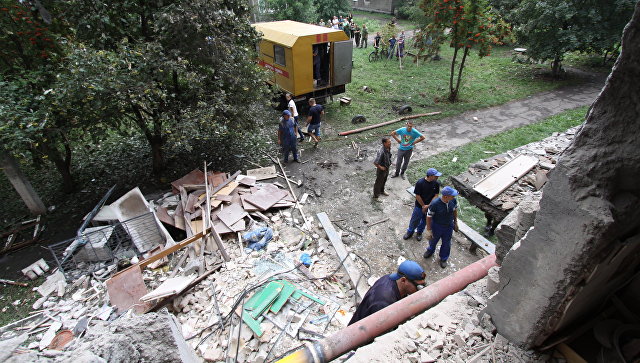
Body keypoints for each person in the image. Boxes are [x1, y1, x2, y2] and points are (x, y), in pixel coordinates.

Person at [348, 260, 426, 325]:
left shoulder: (391, 279)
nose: (420, 289)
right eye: (418, 286)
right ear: (403, 280)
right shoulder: (383, 303)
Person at [423, 186, 459, 268]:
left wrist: (455, 222)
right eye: (452, 195)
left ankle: (443, 258)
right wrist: (428, 230)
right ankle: (430, 251)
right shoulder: (435, 204)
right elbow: (429, 216)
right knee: (433, 240)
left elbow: (455, 210)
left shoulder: (453, 200)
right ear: (446, 196)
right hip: (437, 226)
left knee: (447, 243)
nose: (454, 197)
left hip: (449, 226)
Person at [403, 168, 442, 240]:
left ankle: (419, 232)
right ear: (430, 176)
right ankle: (410, 232)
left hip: (430, 207)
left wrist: (429, 205)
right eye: (436, 176)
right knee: (415, 219)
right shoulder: (420, 183)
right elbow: (417, 195)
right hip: (419, 206)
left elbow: (436, 195)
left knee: (425, 220)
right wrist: (423, 206)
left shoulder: (436, 183)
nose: (437, 177)